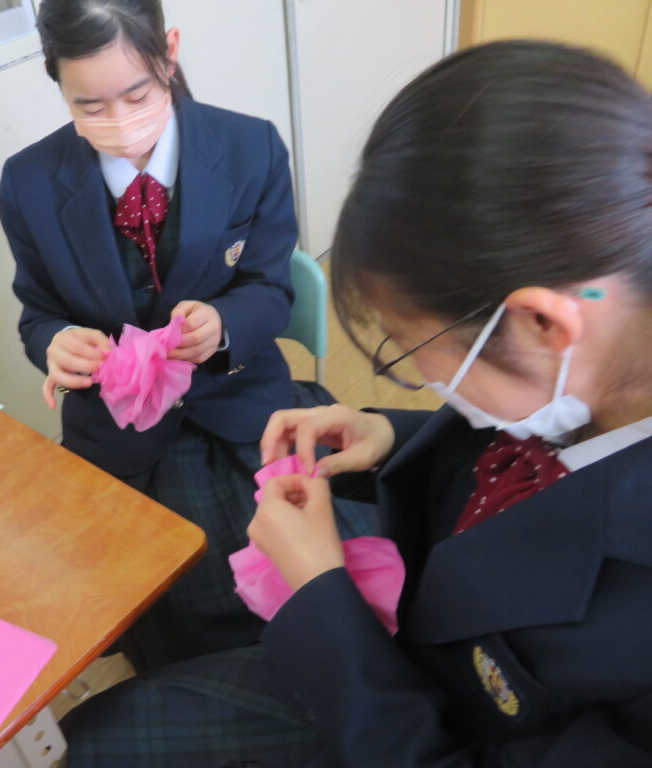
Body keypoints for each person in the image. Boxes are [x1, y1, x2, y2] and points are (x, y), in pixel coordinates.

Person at [60, 40, 652, 767]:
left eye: (412, 350)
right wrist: (390, 434)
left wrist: (320, 594)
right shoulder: (600, 353)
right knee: (104, 727)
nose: (426, 377)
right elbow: (524, 442)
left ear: (542, 324)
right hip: (393, 637)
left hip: (403, 722)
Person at [0, 0, 371, 670]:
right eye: (89, 106)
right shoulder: (27, 183)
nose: (120, 123)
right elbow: (37, 312)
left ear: (169, 52)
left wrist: (225, 324)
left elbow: (271, 288)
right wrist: (56, 341)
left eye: (137, 94)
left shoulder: (250, 148)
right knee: (146, 591)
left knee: (289, 561)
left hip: (238, 398)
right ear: (56, 80)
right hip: (118, 425)